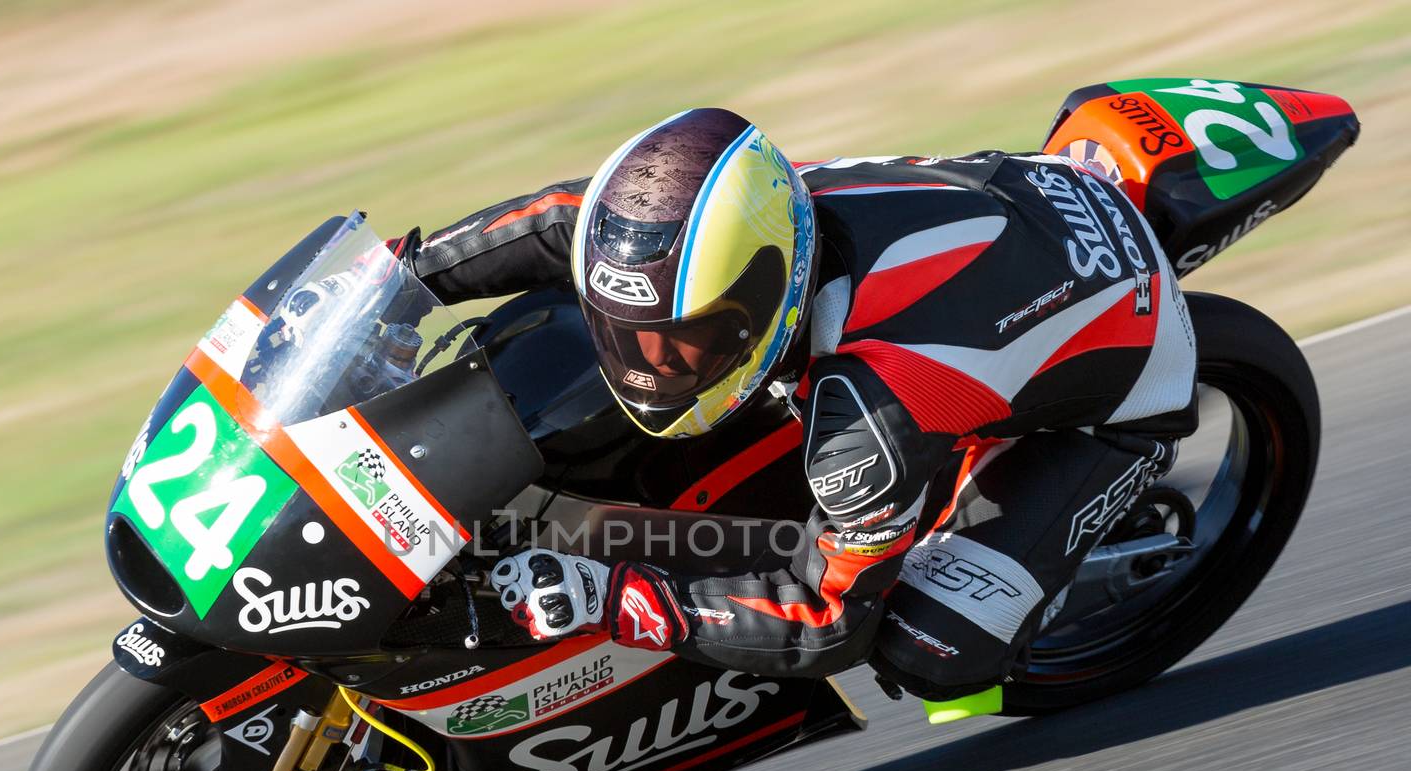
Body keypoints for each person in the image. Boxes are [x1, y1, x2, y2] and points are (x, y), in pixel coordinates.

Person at [395, 108, 1196, 719]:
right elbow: (567, 217)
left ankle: (1007, 542)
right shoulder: (739, 221)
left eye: (684, 342)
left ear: (763, 301)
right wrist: (402, 279)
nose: (648, 364)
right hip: (1025, 217)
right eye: (631, 337)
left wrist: (614, 598)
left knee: (929, 650)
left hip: (1124, 368)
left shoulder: (865, 422)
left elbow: (829, 621)